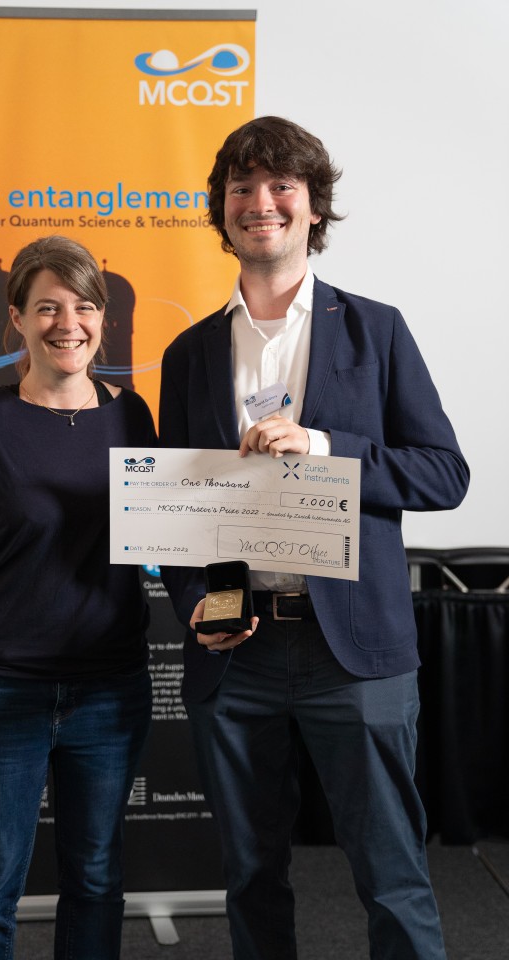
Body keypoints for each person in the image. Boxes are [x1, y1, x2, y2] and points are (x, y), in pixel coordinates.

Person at [158, 117, 469, 960]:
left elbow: (445, 474)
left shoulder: (377, 329)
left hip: (355, 649)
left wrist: (327, 448)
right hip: (238, 650)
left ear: (313, 209)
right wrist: (203, 606)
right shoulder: (187, 355)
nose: (261, 203)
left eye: (281, 187)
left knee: (390, 870)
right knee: (251, 875)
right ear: (221, 213)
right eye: (242, 189)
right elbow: (184, 514)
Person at [0, 235, 156, 960]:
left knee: (93, 878)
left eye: (84, 306)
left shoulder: (135, 418)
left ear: (102, 320)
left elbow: (167, 534)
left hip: (110, 691)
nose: (68, 323)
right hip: (0, 693)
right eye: (47, 307)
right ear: (16, 320)